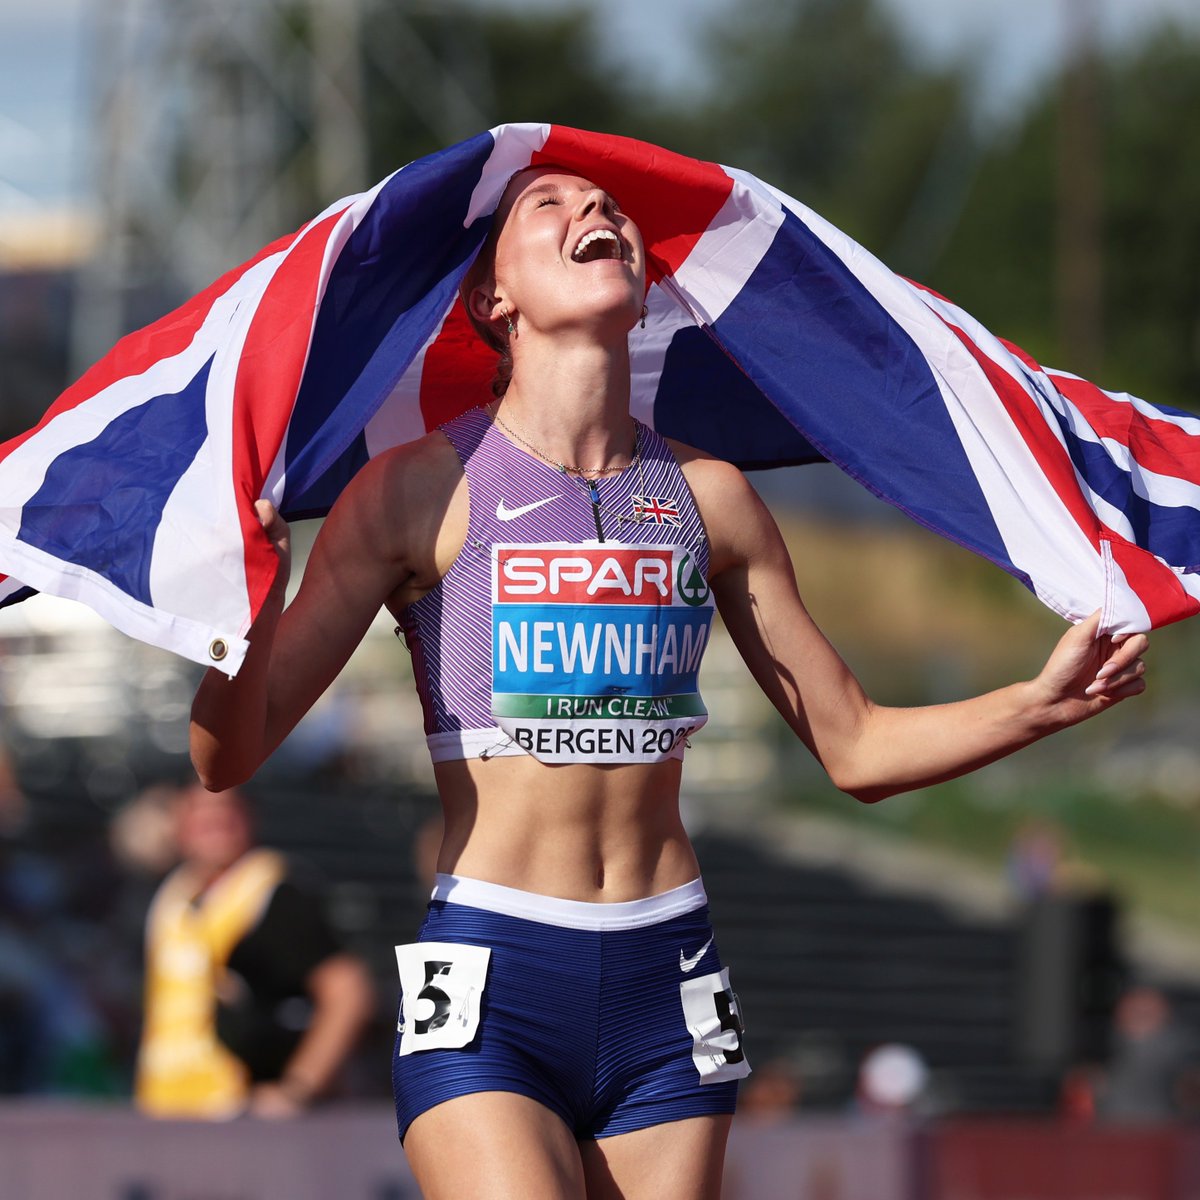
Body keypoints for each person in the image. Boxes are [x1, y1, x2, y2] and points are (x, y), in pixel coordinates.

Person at [190, 166, 1148, 1197]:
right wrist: (241, 609)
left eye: (608, 206)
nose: (594, 211)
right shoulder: (415, 493)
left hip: (669, 981)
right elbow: (225, 755)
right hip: (495, 978)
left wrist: (1039, 704)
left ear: (647, 290)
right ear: (491, 302)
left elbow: (857, 747)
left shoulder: (712, 500)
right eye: (547, 206)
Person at [134, 782, 374, 1119]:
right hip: (169, 1107)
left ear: (249, 818)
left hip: (241, 1116)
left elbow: (348, 991)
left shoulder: (271, 897)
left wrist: (298, 1089)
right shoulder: (173, 898)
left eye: (225, 812)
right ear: (180, 825)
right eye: (199, 813)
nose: (213, 822)